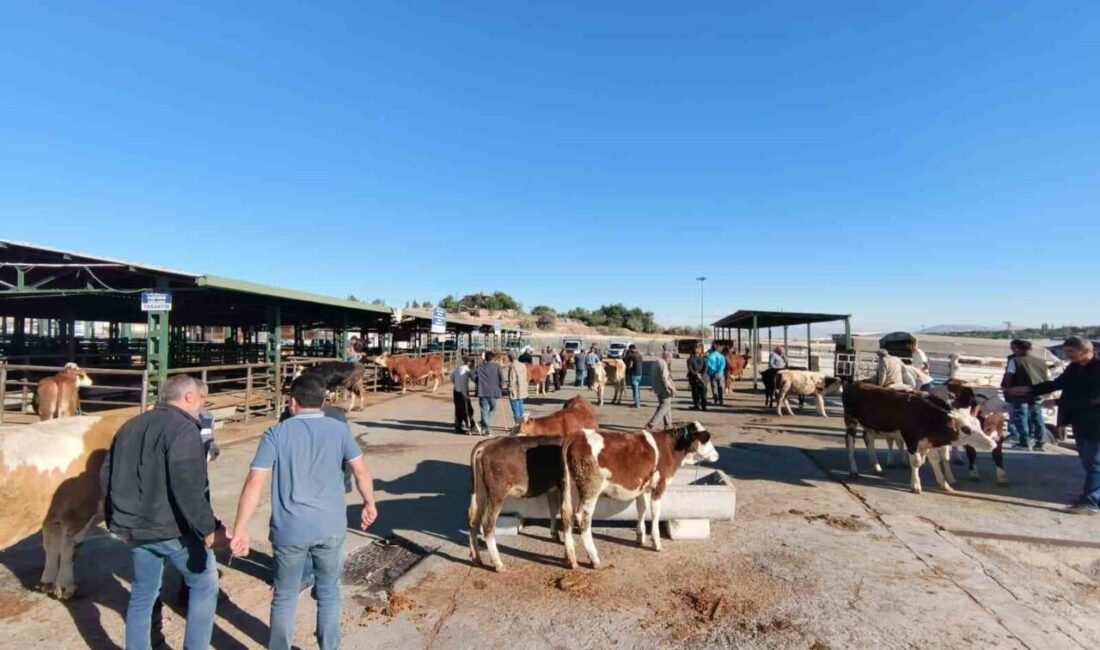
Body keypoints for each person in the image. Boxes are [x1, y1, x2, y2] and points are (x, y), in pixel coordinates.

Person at [230, 375, 378, 650]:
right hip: (330, 527)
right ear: (323, 402)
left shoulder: (276, 433)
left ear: (291, 402)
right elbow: (360, 471)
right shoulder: (340, 431)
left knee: (285, 596)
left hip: (289, 530)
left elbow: (254, 482)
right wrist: (369, 503)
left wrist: (240, 528)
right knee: (329, 592)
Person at [100, 375, 228, 650]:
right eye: (202, 399)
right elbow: (188, 486)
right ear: (189, 397)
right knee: (204, 585)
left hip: (135, 529)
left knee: (143, 594)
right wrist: (210, 528)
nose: (202, 407)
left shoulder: (130, 426)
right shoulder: (183, 429)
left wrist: (116, 522)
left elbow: (107, 476)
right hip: (172, 530)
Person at [1007, 337, 1100, 514]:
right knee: (1088, 462)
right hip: (1080, 421)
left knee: (1096, 463)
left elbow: (1094, 398)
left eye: (1071, 352)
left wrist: (1060, 402)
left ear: (1085, 350)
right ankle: (1090, 496)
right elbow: (1057, 384)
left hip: (1096, 423)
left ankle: (1092, 502)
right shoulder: (1074, 368)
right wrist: (1029, 389)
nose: (1067, 355)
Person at [1000, 339, 1051, 450]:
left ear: (1020, 348)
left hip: (1019, 393)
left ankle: (1025, 442)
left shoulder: (1015, 360)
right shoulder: (1041, 361)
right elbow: (1045, 378)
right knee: (1037, 417)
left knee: (1020, 416)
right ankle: (1040, 443)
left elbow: (1009, 376)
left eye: (1014, 348)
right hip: (1036, 392)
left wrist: (1008, 389)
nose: (1013, 351)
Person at [646, 351, 677, 430]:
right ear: (667, 357)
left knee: (667, 407)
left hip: (658, 388)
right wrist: (671, 388)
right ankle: (651, 424)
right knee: (664, 406)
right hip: (664, 389)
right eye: (671, 358)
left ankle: (668, 426)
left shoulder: (656, 362)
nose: (671, 360)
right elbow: (664, 378)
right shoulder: (663, 363)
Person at [475, 351, 503, 434]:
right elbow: (502, 378)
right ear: (493, 358)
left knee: (484, 410)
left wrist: (477, 381)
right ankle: (487, 429)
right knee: (493, 409)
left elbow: (472, 374)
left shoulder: (479, 366)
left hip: (482, 391)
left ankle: (483, 423)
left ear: (485, 358)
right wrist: (501, 387)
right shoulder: (497, 366)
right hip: (493, 391)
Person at [450, 356, 480, 434]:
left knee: (458, 409)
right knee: (467, 410)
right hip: (463, 392)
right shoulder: (467, 371)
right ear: (469, 363)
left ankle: (458, 426)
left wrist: (456, 383)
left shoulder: (458, 368)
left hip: (456, 391)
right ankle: (471, 425)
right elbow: (474, 379)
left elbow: (451, 377)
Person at [506, 351, 528, 423]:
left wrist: (509, 389)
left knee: (516, 409)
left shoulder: (513, 366)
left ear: (510, 357)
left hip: (515, 391)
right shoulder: (523, 365)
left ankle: (518, 424)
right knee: (521, 407)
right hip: (522, 390)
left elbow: (512, 380)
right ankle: (523, 424)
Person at [687, 345, 708, 411]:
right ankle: (704, 407)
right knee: (703, 393)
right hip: (703, 378)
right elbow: (706, 368)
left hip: (694, 378)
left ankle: (697, 405)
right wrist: (701, 374)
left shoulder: (690, 359)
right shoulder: (704, 358)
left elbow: (690, 369)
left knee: (695, 393)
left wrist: (696, 374)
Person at [623, 344, 644, 408]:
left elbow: (627, 361)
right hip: (640, 373)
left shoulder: (632, 355)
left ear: (631, 349)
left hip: (634, 373)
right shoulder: (639, 355)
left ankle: (637, 404)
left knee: (635, 389)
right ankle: (637, 402)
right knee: (637, 388)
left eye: (630, 349)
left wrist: (628, 370)